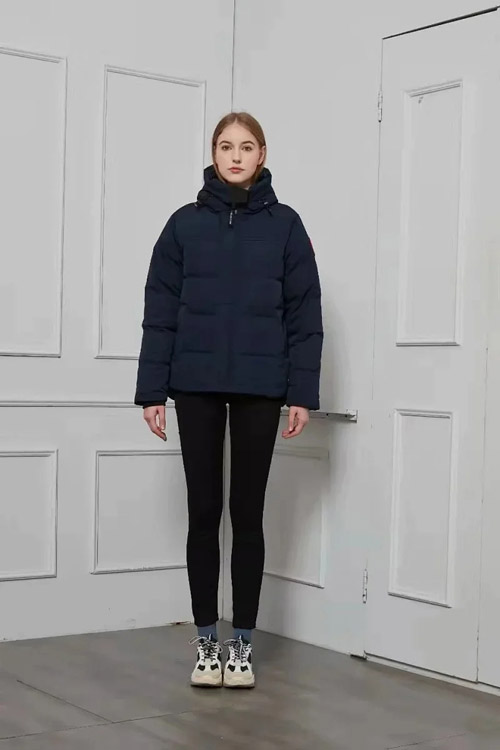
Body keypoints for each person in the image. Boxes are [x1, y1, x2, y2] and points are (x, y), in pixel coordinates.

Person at [134, 111, 323, 689]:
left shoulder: (286, 226)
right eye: (225, 146)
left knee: (247, 513)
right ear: (213, 154)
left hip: (261, 388)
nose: (235, 156)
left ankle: (241, 645)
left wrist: (301, 393)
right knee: (203, 512)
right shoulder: (183, 225)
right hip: (194, 384)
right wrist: (152, 391)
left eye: (245, 147)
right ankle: (205, 643)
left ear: (262, 155)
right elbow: (160, 311)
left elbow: (304, 315)